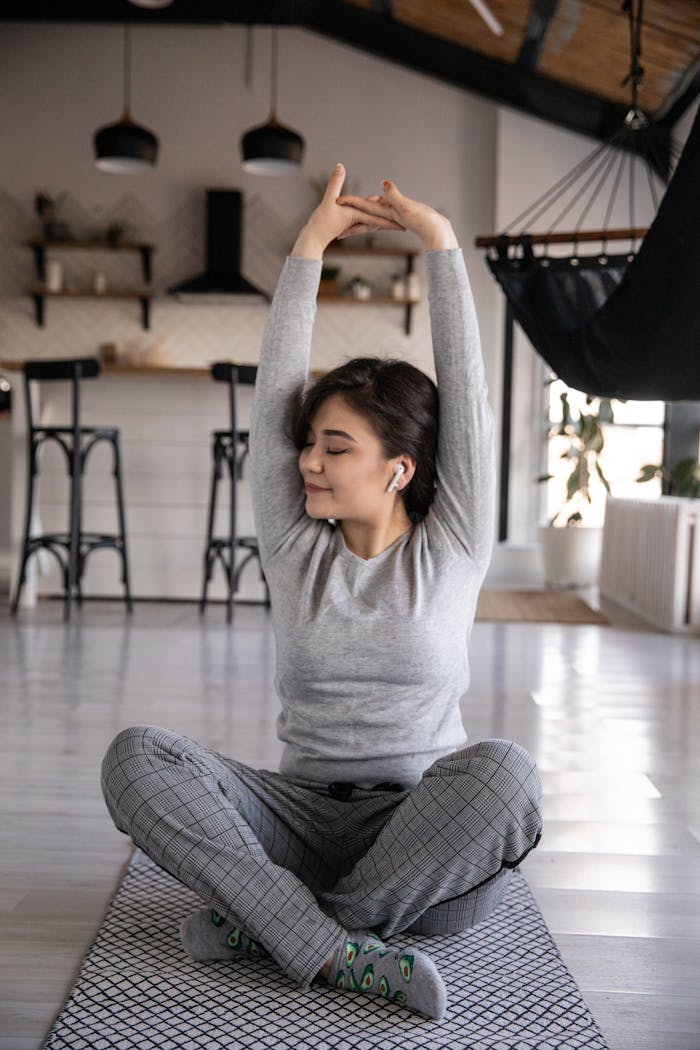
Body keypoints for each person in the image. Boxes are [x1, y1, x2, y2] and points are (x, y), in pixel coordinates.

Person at [101, 165, 542, 1022]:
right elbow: (274, 397)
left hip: (419, 833)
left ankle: (277, 929)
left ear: (400, 468)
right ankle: (340, 949)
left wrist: (441, 243)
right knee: (135, 758)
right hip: (296, 820)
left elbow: (472, 408)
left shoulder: (451, 544)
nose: (309, 460)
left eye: (335, 447)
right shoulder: (296, 544)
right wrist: (307, 245)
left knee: (507, 777)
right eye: (309, 443)